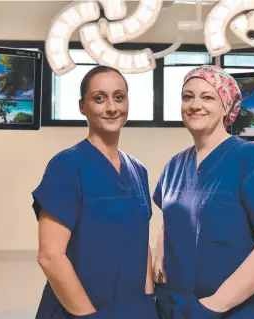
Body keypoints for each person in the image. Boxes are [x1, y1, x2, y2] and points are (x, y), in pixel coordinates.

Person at [152, 65, 254, 319]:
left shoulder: (249, 158)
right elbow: (169, 223)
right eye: (188, 96)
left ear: (228, 107)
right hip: (174, 305)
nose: (195, 104)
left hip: (229, 309)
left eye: (207, 97)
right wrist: (159, 267)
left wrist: (214, 305)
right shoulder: (174, 165)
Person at [32, 65, 159, 319]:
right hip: (78, 311)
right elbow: (50, 256)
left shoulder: (138, 171)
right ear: (82, 106)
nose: (111, 107)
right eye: (99, 98)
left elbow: (141, 243)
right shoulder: (66, 166)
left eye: (119, 97)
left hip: (131, 309)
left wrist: (148, 301)